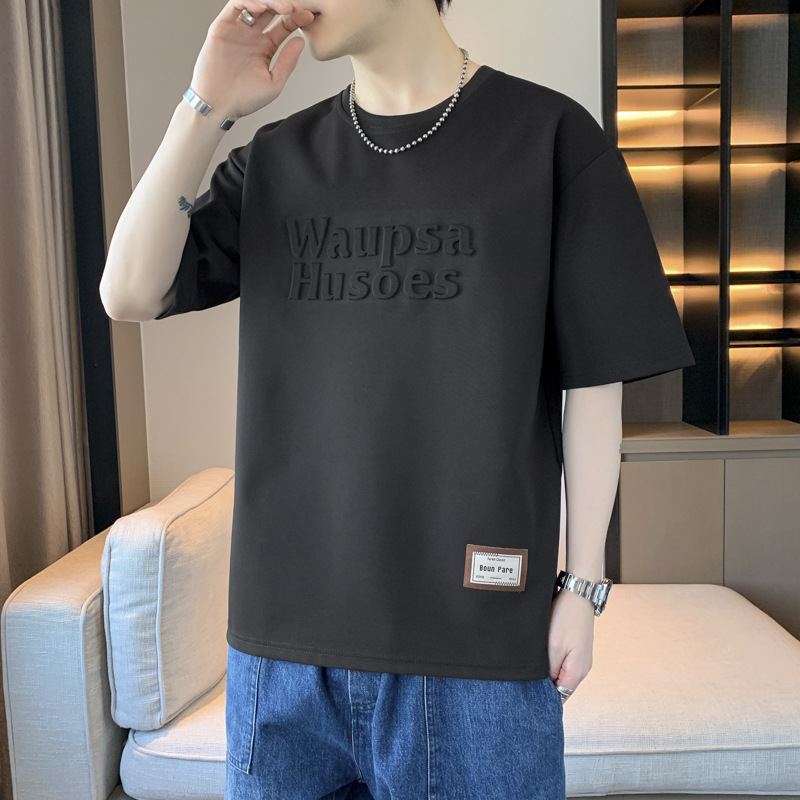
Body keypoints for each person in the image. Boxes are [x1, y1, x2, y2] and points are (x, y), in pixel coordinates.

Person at [100, 1, 696, 797]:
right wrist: (204, 104)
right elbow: (129, 291)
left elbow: (594, 384)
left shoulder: (550, 140)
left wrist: (583, 587)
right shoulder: (279, 159)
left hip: (475, 653)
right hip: (280, 656)